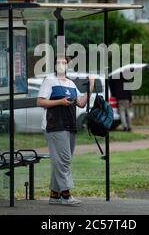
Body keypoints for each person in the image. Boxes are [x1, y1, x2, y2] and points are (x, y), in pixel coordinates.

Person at [37, 56, 94, 206]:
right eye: (58, 62)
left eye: (64, 62)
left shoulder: (70, 83)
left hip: (70, 125)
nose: (61, 65)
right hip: (54, 125)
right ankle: (66, 194)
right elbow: (40, 101)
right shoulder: (49, 81)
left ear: (68, 65)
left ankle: (54, 195)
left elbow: (81, 103)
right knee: (64, 160)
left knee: (61, 160)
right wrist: (60, 102)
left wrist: (91, 85)